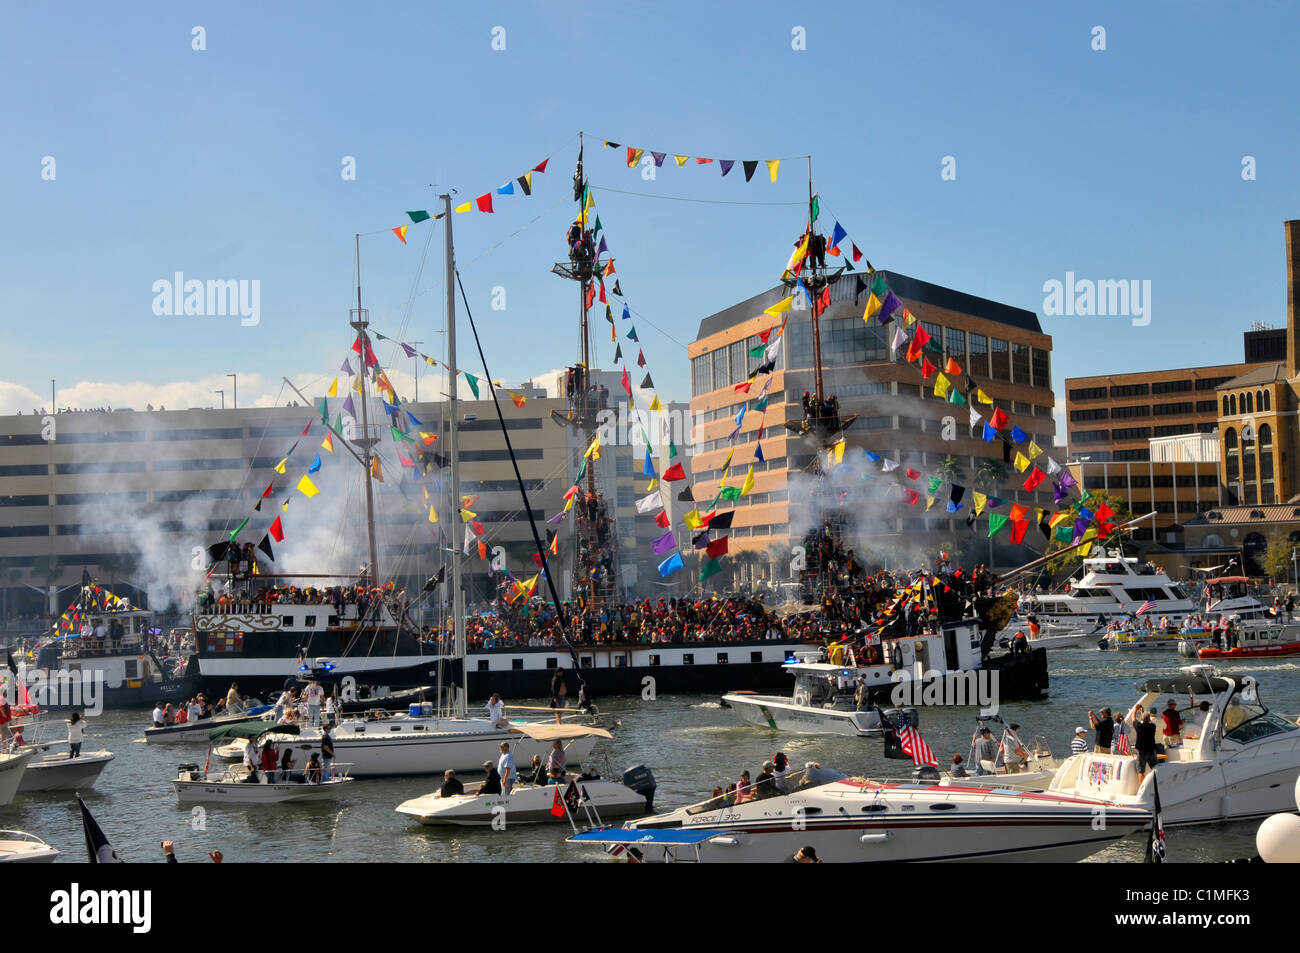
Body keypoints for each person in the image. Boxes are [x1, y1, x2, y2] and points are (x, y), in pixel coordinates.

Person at [1134, 712, 1159, 781]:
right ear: (1149, 719)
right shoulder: (1153, 726)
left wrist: (1135, 710)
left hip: (1142, 752)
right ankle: (1156, 786)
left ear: (1142, 719)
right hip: (1151, 751)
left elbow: (1133, 718)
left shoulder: (1139, 726)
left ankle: (1143, 788)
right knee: (1155, 769)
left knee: (1141, 771)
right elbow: (1150, 722)